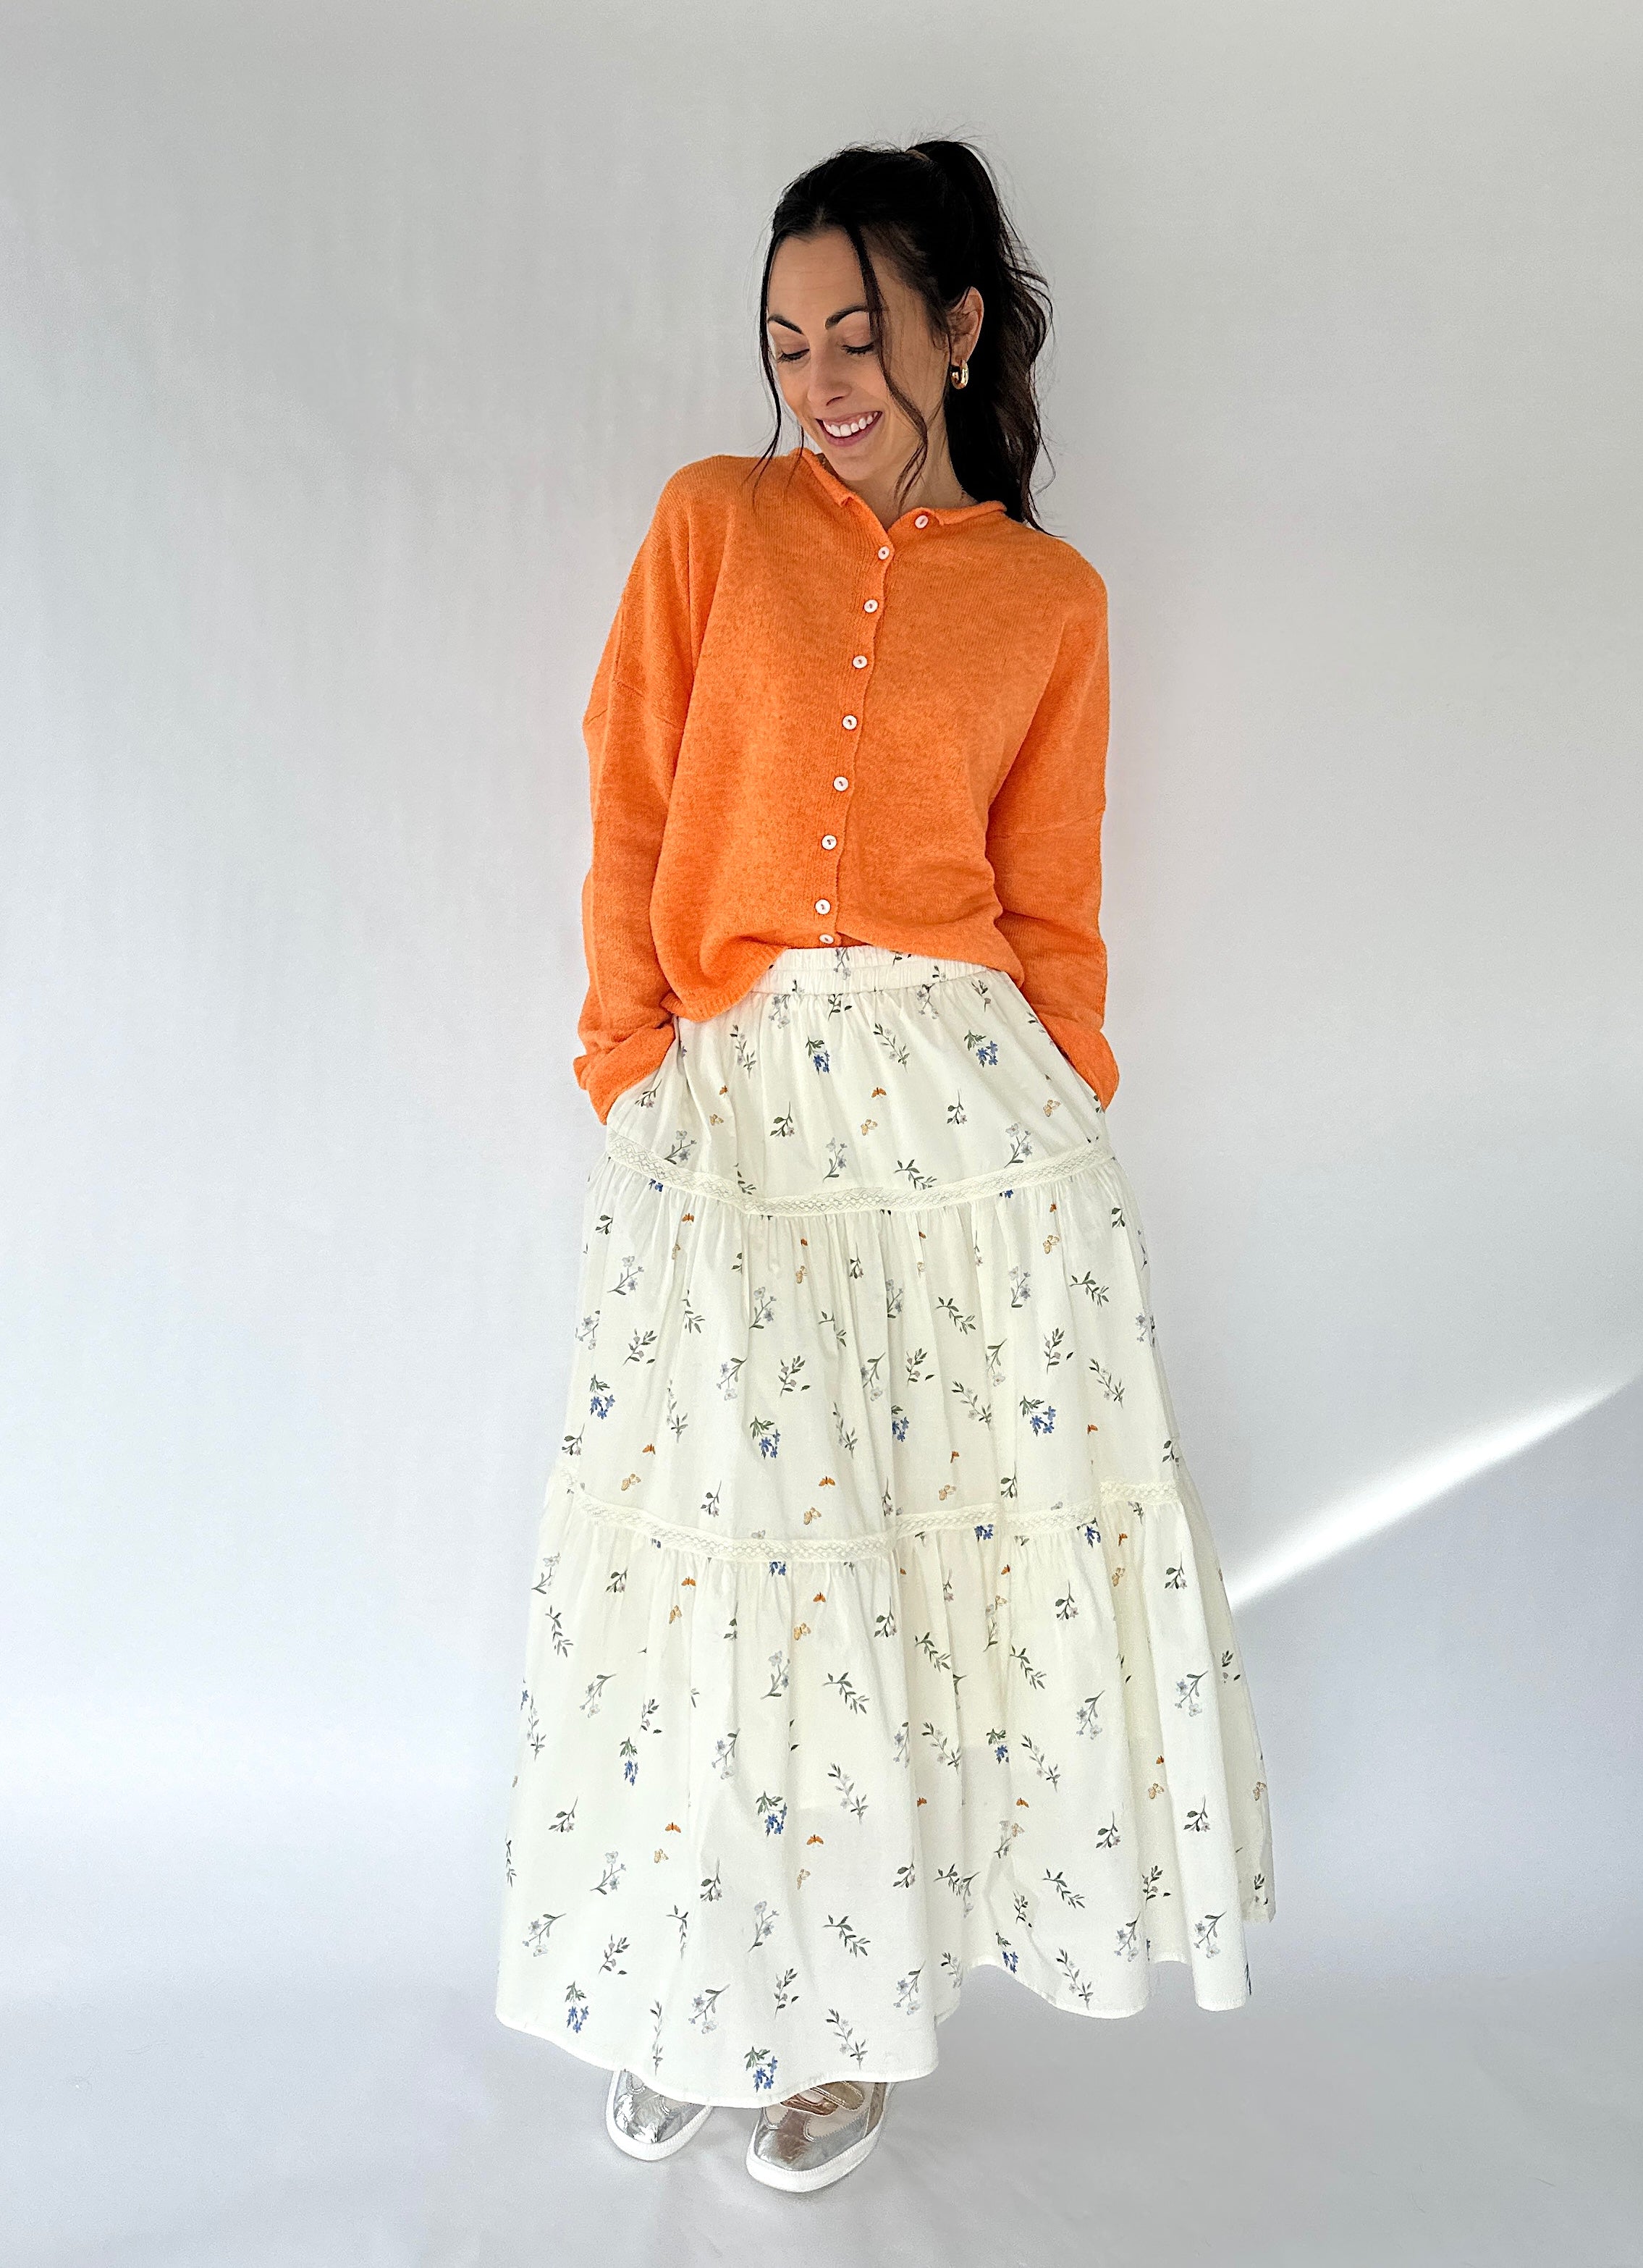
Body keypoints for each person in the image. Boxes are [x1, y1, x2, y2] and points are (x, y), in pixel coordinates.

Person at [494, 136, 1276, 2195]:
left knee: (915, 1585)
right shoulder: (711, 525)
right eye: (785, 344)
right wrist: (629, 1069)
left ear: (954, 328)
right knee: (725, 1567)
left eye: (857, 334)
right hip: (731, 1104)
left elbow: (1053, 906)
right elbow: (632, 794)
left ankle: (838, 2024)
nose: (821, 378)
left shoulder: (1051, 598)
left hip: (962, 1131)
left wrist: (1063, 1118)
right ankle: (693, 1978)